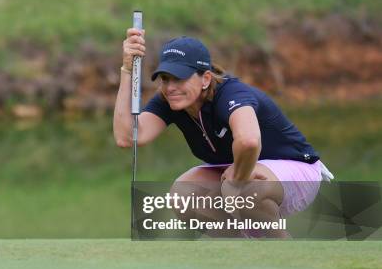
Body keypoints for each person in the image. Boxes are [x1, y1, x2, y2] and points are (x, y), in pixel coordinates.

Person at [113, 28, 333, 238]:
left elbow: (248, 141)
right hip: (240, 170)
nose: (170, 87)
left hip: (297, 169)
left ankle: (284, 252)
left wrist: (237, 180)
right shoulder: (171, 101)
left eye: (179, 78)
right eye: (165, 79)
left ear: (206, 79)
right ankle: (243, 252)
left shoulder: (230, 93)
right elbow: (127, 137)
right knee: (184, 195)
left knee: (244, 191)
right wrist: (127, 71)